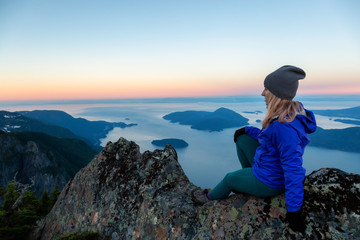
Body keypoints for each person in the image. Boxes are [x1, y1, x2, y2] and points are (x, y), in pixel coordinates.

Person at [192, 65, 317, 232]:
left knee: (229, 179)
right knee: (242, 139)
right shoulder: (288, 114)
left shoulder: (284, 128)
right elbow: (270, 140)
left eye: (266, 89)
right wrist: (247, 130)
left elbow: (293, 168)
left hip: (270, 182)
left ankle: (207, 198)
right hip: (269, 169)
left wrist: (294, 210)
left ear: (276, 94)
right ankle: (248, 181)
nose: (262, 93)